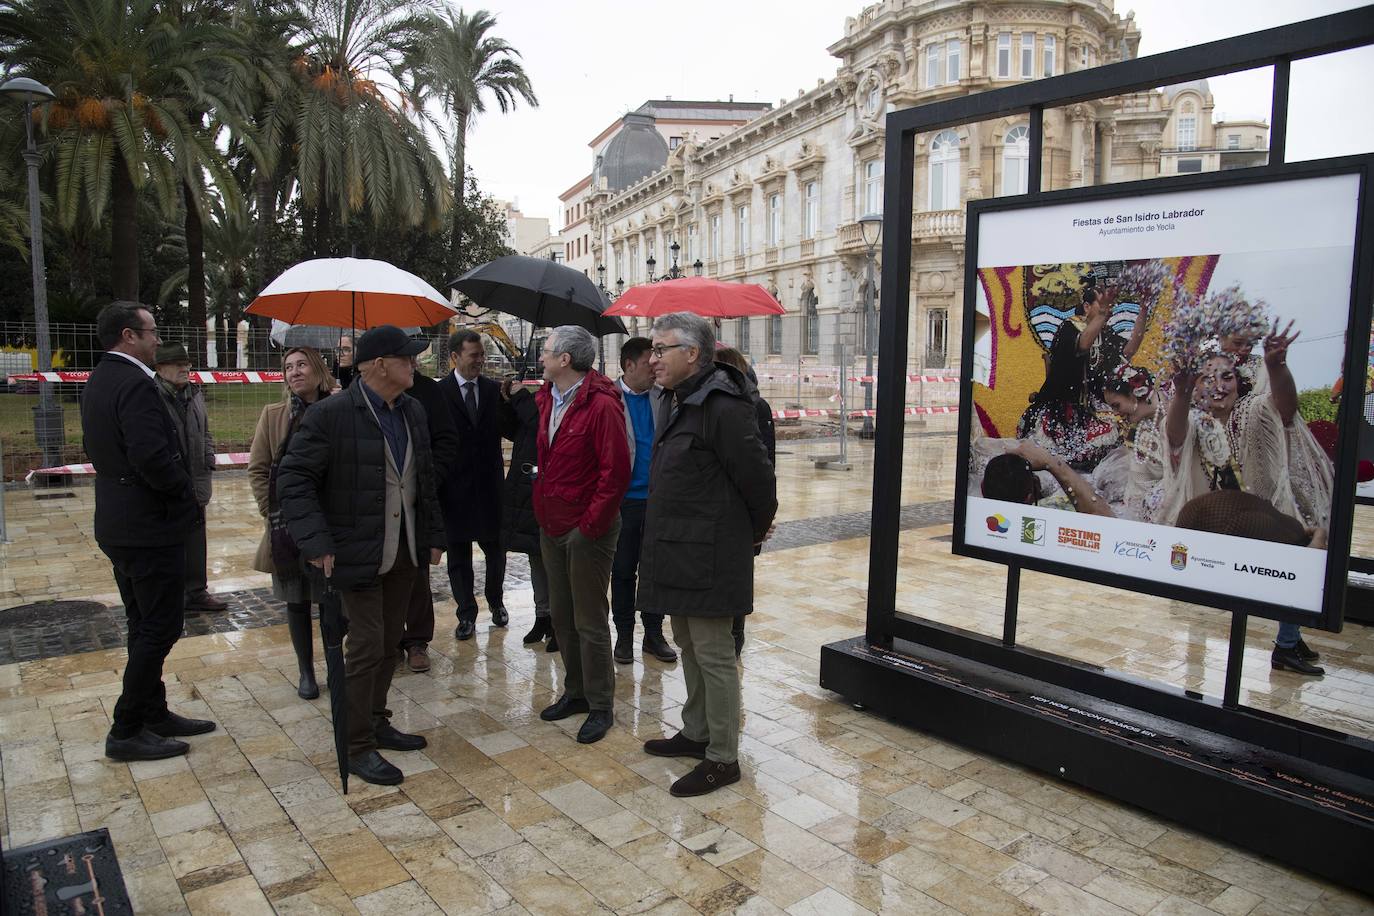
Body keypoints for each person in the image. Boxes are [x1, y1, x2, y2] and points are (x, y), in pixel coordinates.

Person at [277, 325, 447, 787]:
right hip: (355, 552)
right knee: (368, 644)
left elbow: (425, 478)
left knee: (390, 642)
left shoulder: (412, 409)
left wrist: (433, 534)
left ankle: (375, 719)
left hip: (404, 551)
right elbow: (293, 479)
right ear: (378, 365)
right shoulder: (331, 415)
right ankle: (355, 745)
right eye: (406, 358)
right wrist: (317, 541)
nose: (414, 364)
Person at [638, 312, 777, 797]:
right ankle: (696, 731)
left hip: (711, 553)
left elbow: (758, 481)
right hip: (679, 547)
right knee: (688, 642)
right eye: (653, 350)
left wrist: (747, 536)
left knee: (714, 653)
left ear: (692, 353)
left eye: (661, 349)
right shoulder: (677, 399)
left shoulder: (721, 405)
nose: (652, 359)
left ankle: (722, 757)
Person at [82, 301, 214, 762]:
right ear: (128, 335)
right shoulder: (135, 383)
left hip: (118, 520)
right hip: (146, 525)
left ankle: (152, 712)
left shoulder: (100, 378)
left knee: (143, 623)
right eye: (152, 331)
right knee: (160, 625)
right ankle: (126, 727)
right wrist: (184, 494)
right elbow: (151, 456)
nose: (158, 339)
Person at [533, 325, 631, 745]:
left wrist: (588, 527)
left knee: (589, 619)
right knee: (562, 615)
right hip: (552, 523)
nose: (541, 357)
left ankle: (601, 704)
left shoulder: (602, 405)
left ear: (565, 359)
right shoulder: (548, 397)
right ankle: (575, 692)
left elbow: (616, 473)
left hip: (587, 529)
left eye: (547, 350)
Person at [1160, 322, 1333, 530]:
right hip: (1204, 530)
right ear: (1194, 388)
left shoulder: (1252, 409)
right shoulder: (1192, 420)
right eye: (1207, 379)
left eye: (1227, 377)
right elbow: (1174, 436)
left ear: (1238, 381)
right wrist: (1182, 393)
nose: (1219, 386)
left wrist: (1277, 367)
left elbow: (1285, 409)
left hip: (1261, 530)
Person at [248, 347, 336, 699]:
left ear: (318, 370)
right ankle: (306, 671)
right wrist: (271, 510)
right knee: (296, 600)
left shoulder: (338, 410)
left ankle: (336, 666)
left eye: (301, 365)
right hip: (286, 529)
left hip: (329, 523)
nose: (295, 372)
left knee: (332, 601)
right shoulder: (273, 415)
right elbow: (258, 468)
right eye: (288, 367)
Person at [1176, 489, 1327, 676]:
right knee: (1294, 579)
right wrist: (1319, 537)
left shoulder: (1229, 516)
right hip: (1232, 539)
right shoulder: (1262, 526)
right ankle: (1286, 646)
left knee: (1292, 577)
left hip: (1206, 534)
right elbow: (1305, 557)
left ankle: (1291, 641)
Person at [611, 337, 677, 665]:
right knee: (623, 572)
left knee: (656, 571)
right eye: (648, 362)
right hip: (624, 502)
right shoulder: (608, 398)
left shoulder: (664, 397)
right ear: (628, 365)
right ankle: (624, 636)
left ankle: (653, 634)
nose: (654, 368)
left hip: (658, 500)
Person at [438, 329, 508, 640]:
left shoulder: (494, 390)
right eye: (474, 355)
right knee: (459, 557)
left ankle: (496, 601)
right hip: (454, 489)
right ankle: (466, 614)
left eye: (482, 354)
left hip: (489, 486)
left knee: (496, 551)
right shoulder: (439, 393)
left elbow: (511, 428)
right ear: (455, 356)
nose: (480, 360)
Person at [152, 342, 226, 613]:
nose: (185, 368)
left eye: (187, 364)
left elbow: (205, 431)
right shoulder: (151, 396)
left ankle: (196, 591)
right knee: (168, 540)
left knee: (196, 539)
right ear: (161, 368)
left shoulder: (194, 394)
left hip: (197, 479)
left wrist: (208, 458)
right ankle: (171, 594)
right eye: (178, 364)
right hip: (168, 482)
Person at [714, 346, 776, 657]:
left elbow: (765, 466)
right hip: (715, 511)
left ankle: (735, 638)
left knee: (737, 576)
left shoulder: (756, 406)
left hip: (741, 510)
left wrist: (760, 521)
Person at [1017, 285, 1121, 470]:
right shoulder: (1069, 327)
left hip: (1092, 405)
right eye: (1102, 305)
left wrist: (1143, 310)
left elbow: (1127, 352)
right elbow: (1083, 345)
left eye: (1109, 306)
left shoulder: (1104, 331)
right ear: (1087, 307)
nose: (1108, 309)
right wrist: (1102, 314)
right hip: (1062, 406)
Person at [400, 354, 459, 672]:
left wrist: (429, 477)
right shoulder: (359, 391)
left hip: (417, 497)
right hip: (375, 500)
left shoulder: (427, 392)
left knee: (417, 572)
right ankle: (388, 641)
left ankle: (417, 641)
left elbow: (447, 439)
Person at [498, 376, 557, 654]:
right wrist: (506, 403)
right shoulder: (540, 397)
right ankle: (542, 616)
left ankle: (559, 622)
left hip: (552, 490)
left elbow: (540, 425)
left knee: (555, 561)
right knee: (536, 556)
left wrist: (521, 398)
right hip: (529, 487)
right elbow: (516, 430)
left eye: (547, 357)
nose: (542, 360)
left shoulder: (564, 401)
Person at [981, 440, 1115, 517]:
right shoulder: (1054, 513)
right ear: (1029, 498)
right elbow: (1105, 520)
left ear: (982, 487)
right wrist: (1051, 463)